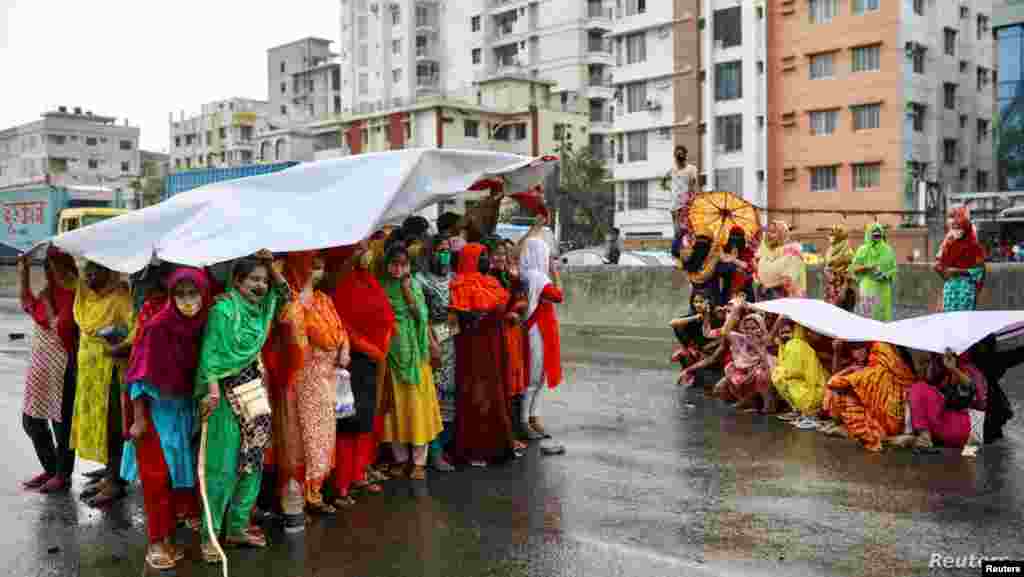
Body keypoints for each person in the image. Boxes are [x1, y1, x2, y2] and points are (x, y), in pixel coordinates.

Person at [195, 252, 288, 562]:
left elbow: (284, 293)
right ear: (237, 281)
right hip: (223, 395)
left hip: (255, 393)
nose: (260, 286)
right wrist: (210, 391)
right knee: (221, 467)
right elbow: (210, 353)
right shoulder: (223, 309)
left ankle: (237, 528)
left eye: (263, 281)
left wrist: (271, 267)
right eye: (253, 279)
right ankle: (210, 537)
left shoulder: (261, 309)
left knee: (253, 461)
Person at [120, 267, 209, 570]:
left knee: (181, 481)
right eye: (180, 294)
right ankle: (156, 542)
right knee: (157, 479)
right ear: (170, 296)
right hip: (157, 414)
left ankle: (169, 539)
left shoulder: (205, 326)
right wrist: (139, 419)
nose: (187, 300)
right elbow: (136, 377)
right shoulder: (158, 327)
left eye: (193, 293)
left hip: (188, 413)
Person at [267, 252, 348, 521]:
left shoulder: (324, 299)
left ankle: (316, 491)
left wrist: (344, 348)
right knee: (307, 438)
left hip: (328, 373)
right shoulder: (294, 303)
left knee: (324, 433)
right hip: (307, 376)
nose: (316, 273)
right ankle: (302, 496)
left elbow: (339, 330)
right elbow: (296, 327)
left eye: (320, 268)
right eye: (311, 268)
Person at [328, 240, 394, 504]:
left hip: (373, 360)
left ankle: (358, 473)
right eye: (360, 248)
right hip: (351, 360)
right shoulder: (341, 284)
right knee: (348, 422)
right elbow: (343, 324)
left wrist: (383, 345)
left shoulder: (368, 279)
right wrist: (370, 348)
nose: (365, 253)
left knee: (365, 418)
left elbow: (387, 316)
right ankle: (342, 484)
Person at [72, 261, 136, 507]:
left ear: (109, 272)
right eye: (87, 271)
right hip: (91, 377)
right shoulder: (86, 297)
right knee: (100, 426)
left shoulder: (121, 297)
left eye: (95, 271)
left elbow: (135, 329)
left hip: (111, 374)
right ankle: (109, 475)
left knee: (113, 427)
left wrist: (119, 346)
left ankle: (114, 483)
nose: (89, 276)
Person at [379, 244, 443, 481]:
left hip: (415, 353)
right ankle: (400, 459)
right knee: (396, 409)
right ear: (387, 265)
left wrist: (406, 291)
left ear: (409, 266)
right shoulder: (382, 286)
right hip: (392, 354)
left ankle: (419, 461)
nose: (398, 269)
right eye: (394, 263)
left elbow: (421, 317)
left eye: (403, 264)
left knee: (417, 408)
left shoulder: (413, 285)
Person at [17, 247, 78, 494]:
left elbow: (59, 327)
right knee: (31, 420)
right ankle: (51, 468)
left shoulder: (73, 294)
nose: (52, 272)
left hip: (63, 364)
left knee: (61, 423)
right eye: (48, 267)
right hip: (41, 365)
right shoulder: (49, 290)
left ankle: (62, 475)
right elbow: (27, 304)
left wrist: (48, 303)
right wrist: (23, 274)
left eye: (57, 267)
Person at [451, 242, 516, 466]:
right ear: (470, 260)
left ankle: (496, 446)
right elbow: (467, 315)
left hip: (493, 344)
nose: (486, 260)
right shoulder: (461, 285)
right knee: (478, 395)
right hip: (475, 347)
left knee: (494, 392)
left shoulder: (490, 282)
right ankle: (476, 449)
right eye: (481, 256)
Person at [519, 221, 566, 455]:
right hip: (537, 327)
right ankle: (524, 420)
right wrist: (556, 273)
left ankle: (533, 416)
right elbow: (558, 296)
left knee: (540, 375)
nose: (549, 261)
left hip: (543, 326)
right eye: (546, 256)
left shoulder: (532, 275)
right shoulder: (536, 277)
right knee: (534, 376)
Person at [415, 235, 458, 472]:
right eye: (439, 250)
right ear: (429, 254)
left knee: (450, 397)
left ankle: (445, 448)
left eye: (447, 250)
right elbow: (421, 317)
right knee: (433, 399)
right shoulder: (420, 280)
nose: (444, 255)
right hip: (430, 342)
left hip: (453, 341)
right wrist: (433, 342)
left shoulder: (455, 278)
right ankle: (434, 453)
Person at [824, 343, 916, 452]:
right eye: (853, 349)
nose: (856, 353)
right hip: (894, 421)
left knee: (840, 391)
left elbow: (833, 383)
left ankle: (856, 431)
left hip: (891, 421)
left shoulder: (875, 370)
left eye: (859, 347)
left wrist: (848, 370)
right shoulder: (882, 367)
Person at [490, 240, 530, 447]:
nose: (499, 258)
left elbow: (522, 301)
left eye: (502, 254)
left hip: (511, 334)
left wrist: (516, 309)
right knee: (500, 383)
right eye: (495, 254)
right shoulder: (486, 279)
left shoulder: (514, 279)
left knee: (514, 383)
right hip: (495, 336)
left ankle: (512, 434)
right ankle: (504, 436)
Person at [903, 350, 986, 450]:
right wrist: (925, 364)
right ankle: (921, 436)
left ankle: (923, 437)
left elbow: (970, 389)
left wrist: (953, 369)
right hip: (948, 423)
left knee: (918, 389)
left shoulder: (969, 370)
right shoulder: (939, 369)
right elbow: (927, 387)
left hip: (965, 427)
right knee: (914, 390)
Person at [707, 300, 777, 413]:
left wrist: (756, 346)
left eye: (754, 328)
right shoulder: (741, 338)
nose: (750, 331)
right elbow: (719, 332)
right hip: (744, 372)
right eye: (747, 328)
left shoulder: (767, 340)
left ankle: (769, 404)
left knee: (761, 374)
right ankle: (748, 401)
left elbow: (766, 364)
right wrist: (735, 310)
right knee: (720, 388)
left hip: (763, 372)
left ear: (761, 327)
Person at [771, 320, 830, 429]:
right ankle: (800, 412)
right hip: (812, 388)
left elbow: (793, 371)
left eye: (788, 332)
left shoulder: (795, 345)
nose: (785, 335)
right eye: (782, 333)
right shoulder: (787, 345)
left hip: (815, 392)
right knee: (779, 375)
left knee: (780, 375)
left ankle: (810, 416)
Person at [934, 206, 986, 312]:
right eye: (954, 228)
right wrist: (940, 270)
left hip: (965, 290)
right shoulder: (948, 244)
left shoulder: (974, 246)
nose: (956, 230)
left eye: (959, 227)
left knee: (963, 321)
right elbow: (940, 264)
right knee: (948, 321)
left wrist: (959, 271)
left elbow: (979, 270)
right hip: (950, 290)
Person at [851, 223, 897, 322]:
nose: (876, 237)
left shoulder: (888, 250)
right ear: (868, 234)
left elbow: (894, 269)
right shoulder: (862, 250)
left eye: (878, 234)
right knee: (868, 318)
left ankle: (883, 337)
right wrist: (867, 268)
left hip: (883, 289)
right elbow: (853, 268)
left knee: (882, 318)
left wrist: (886, 275)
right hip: (868, 288)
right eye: (874, 234)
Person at [755, 221, 805, 300]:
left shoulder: (792, 251)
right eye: (769, 231)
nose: (769, 234)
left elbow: (791, 279)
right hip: (764, 292)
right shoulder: (764, 248)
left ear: (782, 233)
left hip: (783, 295)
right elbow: (758, 269)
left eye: (773, 232)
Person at [662, 145, 699, 244]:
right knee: (677, 231)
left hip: (686, 203)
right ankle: (679, 248)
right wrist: (669, 189)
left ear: (685, 156)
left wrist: (689, 199)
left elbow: (692, 184)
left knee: (687, 229)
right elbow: (663, 181)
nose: (679, 157)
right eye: (677, 155)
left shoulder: (691, 168)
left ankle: (688, 245)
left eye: (681, 154)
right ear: (675, 157)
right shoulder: (672, 169)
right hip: (674, 204)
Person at [719, 226, 756, 302]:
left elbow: (749, 267)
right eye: (732, 236)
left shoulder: (747, 251)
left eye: (738, 236)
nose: (735, 239)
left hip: (744, 289)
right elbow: (720, 270)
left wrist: (733, 259)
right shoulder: (724, 249)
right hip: (728, 288)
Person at [824, 225, 856, 311]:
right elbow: (828, 268)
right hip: (831, 290)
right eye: (830, 235)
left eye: (833, 235)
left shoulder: (848, 252)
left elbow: (850, 274)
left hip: (844, 291)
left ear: (840, 237)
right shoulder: (830, 251)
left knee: (844, 317)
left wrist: (843, 290)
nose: (831, 237)